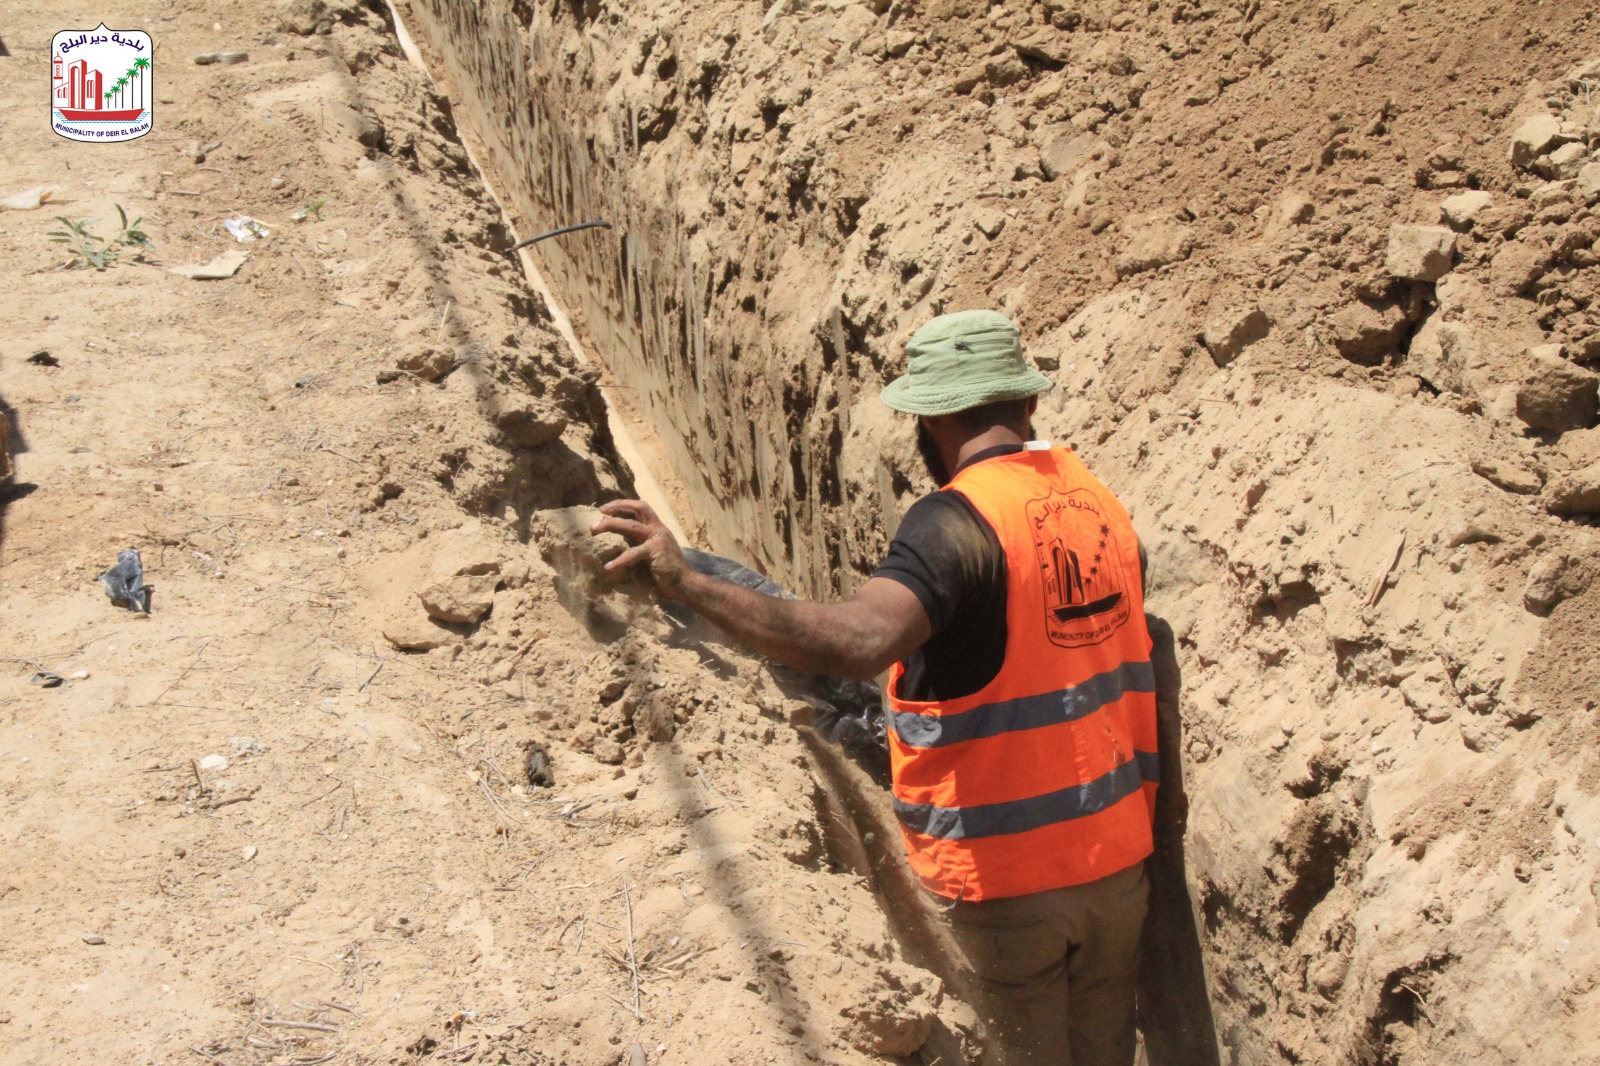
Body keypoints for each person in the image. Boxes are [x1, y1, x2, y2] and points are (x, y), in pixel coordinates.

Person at [592, 309, 1158, 1066]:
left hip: (1008, 885)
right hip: (1117, 865)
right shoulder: (1097, 501)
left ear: (931, 420)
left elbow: (861, 641)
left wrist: (689, 580)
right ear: (1025, 406)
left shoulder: (955, 526)